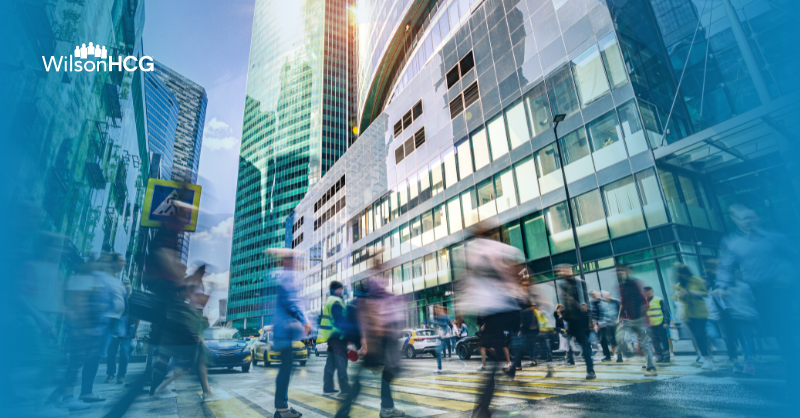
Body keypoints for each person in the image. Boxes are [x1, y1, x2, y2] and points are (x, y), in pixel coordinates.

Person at [456, 233, 524, 418]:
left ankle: (483, 406)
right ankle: (484, 406)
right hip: (500, 312)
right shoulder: (492, 250)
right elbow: (514, 270)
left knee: (496, 356)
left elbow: (468, 283)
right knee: (496, 356)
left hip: (498, 312)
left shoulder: (477, 251)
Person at [335, 275, 405, 418]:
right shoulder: (367, 302)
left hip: (372, 346)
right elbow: (366, 325)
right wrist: (366, 343)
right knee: (381, 376)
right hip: (373, 346)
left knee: (369, 379)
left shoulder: (361, 301)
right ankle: (385, 409)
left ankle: (386, 408)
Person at [271, 249, 312, 418]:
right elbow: (291, 302)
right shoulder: (286, 278)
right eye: (290, 260)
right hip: (284, 331)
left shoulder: (281, 277)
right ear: (285, 262)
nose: (293, 262)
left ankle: (282, 407)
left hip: (282, 331)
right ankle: (281, 409)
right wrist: (304, 320)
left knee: (286, 368)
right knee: (286, 368)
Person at [615, 265, 657, 376]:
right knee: (621, 338)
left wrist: (643, 317)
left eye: (621, 270)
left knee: (645, 344)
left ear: (628, 271)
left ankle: (651, 369)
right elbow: (622, 302)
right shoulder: (622, 286)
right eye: (618, 271)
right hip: (628, 321)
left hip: (639, 320)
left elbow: (642, 300)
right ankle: (627, 352)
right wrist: (619, 317)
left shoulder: (635, 284)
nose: (619, 273)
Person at [557, 266, 595, 380]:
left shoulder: (578, 283)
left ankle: (590, 370)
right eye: (561, 271)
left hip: (581, 321)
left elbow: (584, 302)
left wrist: (588, 319)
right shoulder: (563, 285)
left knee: (585, 345)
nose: (562, 273)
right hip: (573, 322)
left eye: (564, 270)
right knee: (583, 345)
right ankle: (586, 361)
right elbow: (566, 305)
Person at [673, 263, 714, 370]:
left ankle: (708, 357)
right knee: (698, 337)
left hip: (700, 312)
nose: (683, 276)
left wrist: (696, 293)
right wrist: (682, 296)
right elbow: (680, 300)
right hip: (689, 314)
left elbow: (705, 293)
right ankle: (707, 357)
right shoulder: (679, 285)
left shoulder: (696, 280)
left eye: (684, 273)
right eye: (680, 274)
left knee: (700, 335)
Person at [319, 280, 351, 396]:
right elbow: (339, 319)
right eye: (340, 289)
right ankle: (345, 388)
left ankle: (328, 387)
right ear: (335, 290)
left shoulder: (329, 300)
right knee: (341, 360)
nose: (342, 291)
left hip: (330, 336)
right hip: (338, 336)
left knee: (331, 362)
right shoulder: (336, 301)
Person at [105, 279, 136, 384]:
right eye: (125, 288)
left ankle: (121, 375)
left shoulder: (133, 300)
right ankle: (110, 374)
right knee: (111, 352)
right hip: (115, 328)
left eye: (128, 288)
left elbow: (137, 317)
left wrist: (135, 332)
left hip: (128, 329)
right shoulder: (117, 299)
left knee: (124, 352)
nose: (127, 290)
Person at [643, 287, 671, 363]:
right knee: (655, 342)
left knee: (663, 341)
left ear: (652, 291)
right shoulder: (644, 301)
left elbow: (665, 311)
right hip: (650, 325)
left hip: (660, 323)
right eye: (646, 293)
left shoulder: (659, 300)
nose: (647, 294)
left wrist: (666, 322)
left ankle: (666, 356)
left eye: (649, 292)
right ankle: (659, 356)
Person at [591, 291, 619, 362]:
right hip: (602, 324)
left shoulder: (607, 301)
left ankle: (618, 354)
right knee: (603, 339)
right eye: (592, 295)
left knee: (614, 339)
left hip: (610, 323)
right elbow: (595, 314)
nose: (593, 295)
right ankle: (607, 355)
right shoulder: (595, 303)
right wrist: (596, 323)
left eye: (594, 294)